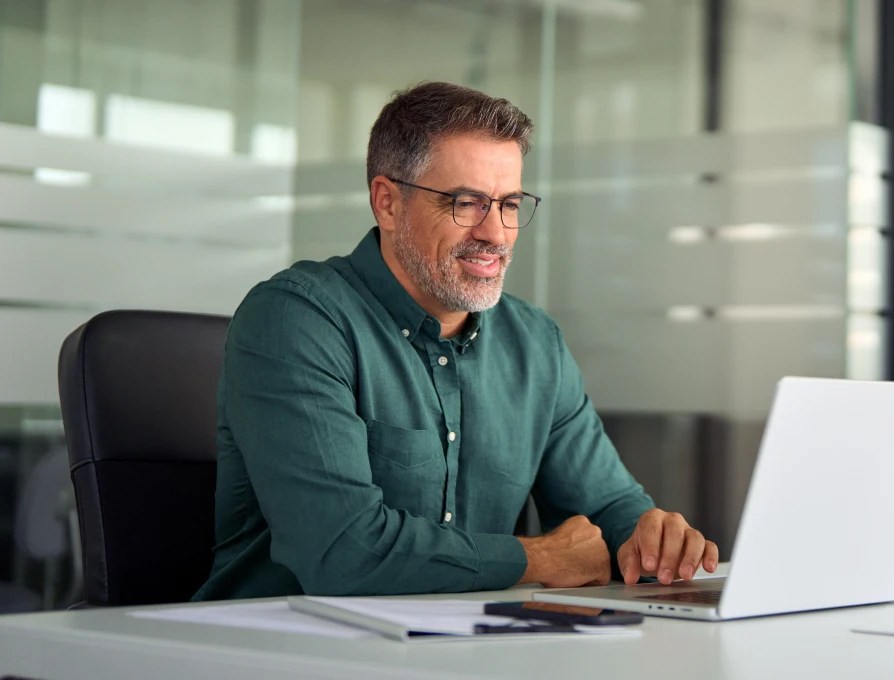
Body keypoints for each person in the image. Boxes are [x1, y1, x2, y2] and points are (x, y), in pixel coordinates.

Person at [193, 82, 718, 601]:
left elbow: (607, 512)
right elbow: (343, 552)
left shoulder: (535, 343)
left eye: (509, 204)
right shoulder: (297, 319)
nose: (495, 233)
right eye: (466, 203)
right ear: (387, 203)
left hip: (465, 640)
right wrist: (536, 559)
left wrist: (651, 540)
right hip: (282, 638)